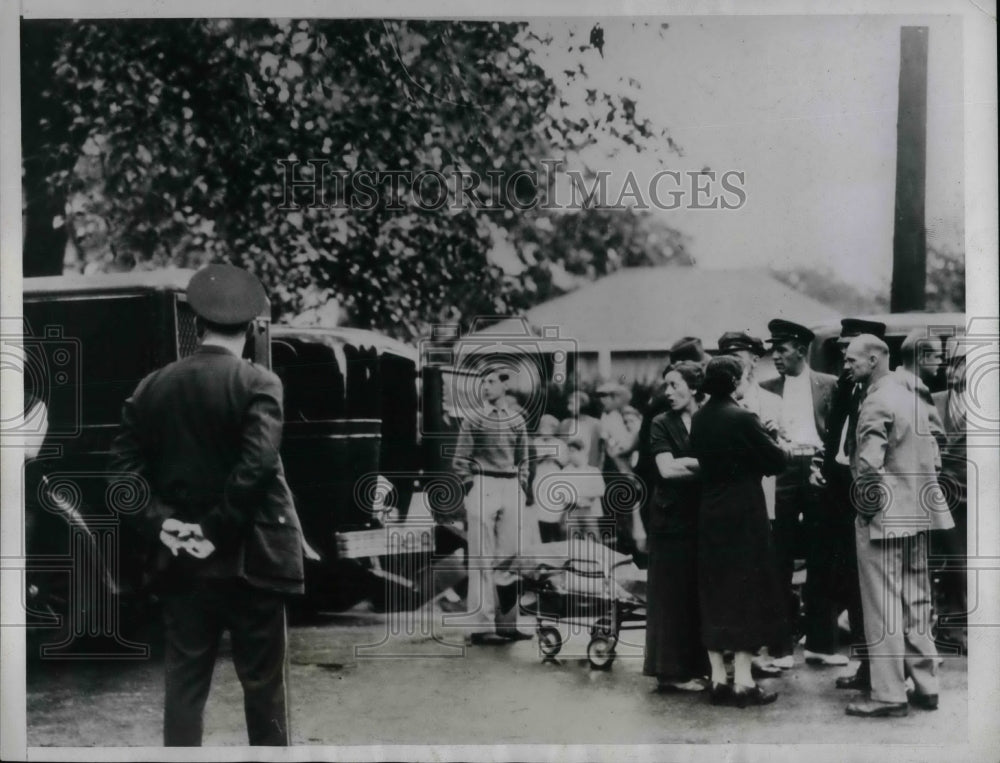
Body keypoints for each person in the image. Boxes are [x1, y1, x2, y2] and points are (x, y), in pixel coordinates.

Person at [108, 264, 304, 746]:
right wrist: (214, 529)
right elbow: (257, 466)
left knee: (184, 689)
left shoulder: (151, 387)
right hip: (254, 560)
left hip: (180, 566)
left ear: (196, 326)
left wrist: (168, 527)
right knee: (264, 689)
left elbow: (121, 479)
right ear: (253, 327)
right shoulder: (259, 383)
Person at [843, 335, 953, 718]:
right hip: (920, 512)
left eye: (852, 359)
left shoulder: (875, 400)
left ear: (874, 359)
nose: (846, 364)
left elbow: (869, 464)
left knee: (883, 604)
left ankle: (888, 694)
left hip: (884, 518)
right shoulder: (916, 395)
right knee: (916, 601)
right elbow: (937, 448)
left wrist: (866, 511)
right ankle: (927, 685)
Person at [691, 356, 788, 707]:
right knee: (746, 591)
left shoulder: (699, 418)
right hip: (744, 511)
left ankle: (718, 678)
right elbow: (777, 461)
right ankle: (744, 681)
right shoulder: (744, 417)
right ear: (734, 382)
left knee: (714, 590)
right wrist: (771, 434)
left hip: (711, 510)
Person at [809, 318, 887, 692]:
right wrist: (823, 468)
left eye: (850, 351)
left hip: (867, 493)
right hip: (839, 490)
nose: (844, 360)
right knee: (847, 579)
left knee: (869, 582)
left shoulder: (883, 393)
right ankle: (863, 662)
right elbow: (835, 435)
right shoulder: (846, 386)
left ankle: (877, 668)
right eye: (841, 352)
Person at [760, 319, 838, 669]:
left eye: (782, 349)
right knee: (779, 556)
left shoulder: (830, 385)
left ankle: (821, 644)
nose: (775, 356)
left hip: (818, 468)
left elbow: (836, 432)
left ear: (802, 349)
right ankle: (778, 648)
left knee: (823, 554)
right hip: (782, 470)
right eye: (773, 349)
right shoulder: (766, 389)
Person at [451, 363, 533, 644]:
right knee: (481, 557)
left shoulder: (517, 420)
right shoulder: (473, 418)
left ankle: (508, 624)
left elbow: (524, 458)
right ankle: (479, 625)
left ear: (504, 385)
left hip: (510, 485)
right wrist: (471, 485)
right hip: (483, 483)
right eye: (483, 382)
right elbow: (460, 459)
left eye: (490, 382)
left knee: (510, 558)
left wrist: (521, 485)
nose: (485, 387)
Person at [643, 361, 709, 693]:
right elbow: (666, 471)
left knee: (695, 594)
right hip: (669, 521)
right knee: (669, 597)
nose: (668, 392)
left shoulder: (707, 419)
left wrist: (690, 463)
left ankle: (694, 667)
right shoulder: (660, 423)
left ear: (695, 387)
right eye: (666, 386)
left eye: (675, 385)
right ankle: (670, 672)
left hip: (700, 517)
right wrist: (708, 466)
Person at [931, 343, 968, 653]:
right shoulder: (934, 402)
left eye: (964, 364)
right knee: (954, 563)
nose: (957, 371)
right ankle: (951, 626)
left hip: (979, 495)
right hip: (943, 496)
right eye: (953, 364)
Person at [560, 436, 607, 542]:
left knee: (593, 541)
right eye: (569, 452)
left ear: (582, 451)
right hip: (572, 510)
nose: (571, 455)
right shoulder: (566, 471)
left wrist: (582, 496)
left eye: (574, 451)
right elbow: (563, 493)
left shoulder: (593, 471)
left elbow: (600, 490)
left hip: (589, 511)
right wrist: (577, 499)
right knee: (572, 541)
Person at [532, 414, 568, 542]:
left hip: (554, 477)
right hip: (540, 477)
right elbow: (532, 462)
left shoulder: (560, 444)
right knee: (541, 512)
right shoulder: (536, 443)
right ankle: (544, 541)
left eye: (549, 428)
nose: (545, 431)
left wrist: (554, 458)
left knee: (555, 509)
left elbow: (564, 462)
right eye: (543, 427)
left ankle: (557, 541)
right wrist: (542, 457)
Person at [559, 390, 602, 469]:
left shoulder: (595, 424)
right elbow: (562, 448)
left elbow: (599, 452)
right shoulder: (565, 423)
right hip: (568, 467)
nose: (569, 408)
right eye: (569, 404)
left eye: (572, 403)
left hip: (588, 468)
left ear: (582, 404)